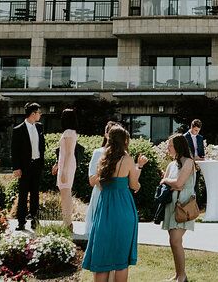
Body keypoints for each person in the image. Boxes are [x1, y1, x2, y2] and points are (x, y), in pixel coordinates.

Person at [82, 125, 149, 280]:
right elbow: (134, 185)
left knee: (102, 257)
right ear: (124, 141)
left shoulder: (102, 159)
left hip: (104, 209)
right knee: (121, 261)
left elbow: (98, 183)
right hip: (124, 208)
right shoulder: (127, 159)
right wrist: (138, 185)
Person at [161, 133, 197, 282]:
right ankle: (179, 275)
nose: (167, 148)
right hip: (171, 206)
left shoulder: (189, 162)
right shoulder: (172, 165)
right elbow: (165, 183)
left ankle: (182, 276)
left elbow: (178, 183)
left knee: (175, 240)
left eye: (170, 145)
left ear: (178, 146)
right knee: (173, 241)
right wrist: (168, 182)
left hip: (183, 206)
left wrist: (167, 180)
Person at [11, 102, 45, 230]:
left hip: (37, 164)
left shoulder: (40, 127)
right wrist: (16, 167)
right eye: (39, 112)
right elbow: (14, 150)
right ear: (33, 114)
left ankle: (35, 220)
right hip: (24, 166)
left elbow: (42, 147)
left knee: (35, 194)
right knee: (23, 194)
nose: (40, 115)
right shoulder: (18, 129)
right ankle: (21, 222)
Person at [84, 121, 119, 242]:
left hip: (116, 196)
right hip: (100, 194)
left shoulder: (123, 155)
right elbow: (92, 180)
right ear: (106, 134)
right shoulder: (98, 153)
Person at [51, 108, 78, 227]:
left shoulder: (68, 132)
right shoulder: (71, 132)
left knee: (65, 194)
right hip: (66, 163)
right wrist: (58, 165)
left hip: (67, 165)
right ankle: (67, 222)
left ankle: (67, 223)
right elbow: (64, 153)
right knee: (65, 193)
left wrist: (64, 171)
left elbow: (67, 153)